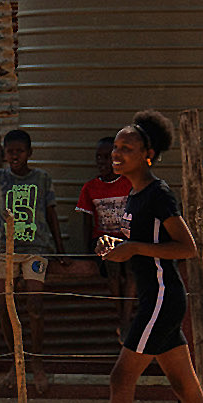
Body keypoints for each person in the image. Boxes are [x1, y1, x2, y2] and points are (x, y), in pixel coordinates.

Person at [62, 110, 203, 403]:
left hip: (163, 298)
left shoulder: (158, 194)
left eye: (126, 148)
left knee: (122, 376)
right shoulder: (132, 194)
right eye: (116, 147)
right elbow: (144, 248)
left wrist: (131, 246)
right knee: (185, 385)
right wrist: (117, 246)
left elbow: (187, 248)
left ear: (148, 154)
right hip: (156, 297)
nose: (117, 154)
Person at [0, 128, 66, 399]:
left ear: (29, 153)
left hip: (37, 250)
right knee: (4, 306)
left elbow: (51, 214)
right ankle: (15, 363)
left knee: (35, 304)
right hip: (6, 251)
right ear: (4, 153)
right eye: (10, 151)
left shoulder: (42, 179)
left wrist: (61, 249)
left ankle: (37, 364)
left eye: (20, 151)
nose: (14, 156)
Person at [76, 136, 134, 325]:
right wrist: (86, 252)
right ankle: (123, 319)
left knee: (133, 269)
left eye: (106, 157)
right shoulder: (90, 188)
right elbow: (86, 222)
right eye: (98, 157)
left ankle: (125, 319)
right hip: (103, 243)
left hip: (128, 240)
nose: (101, 161)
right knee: (112, 264)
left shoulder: (129, 184)